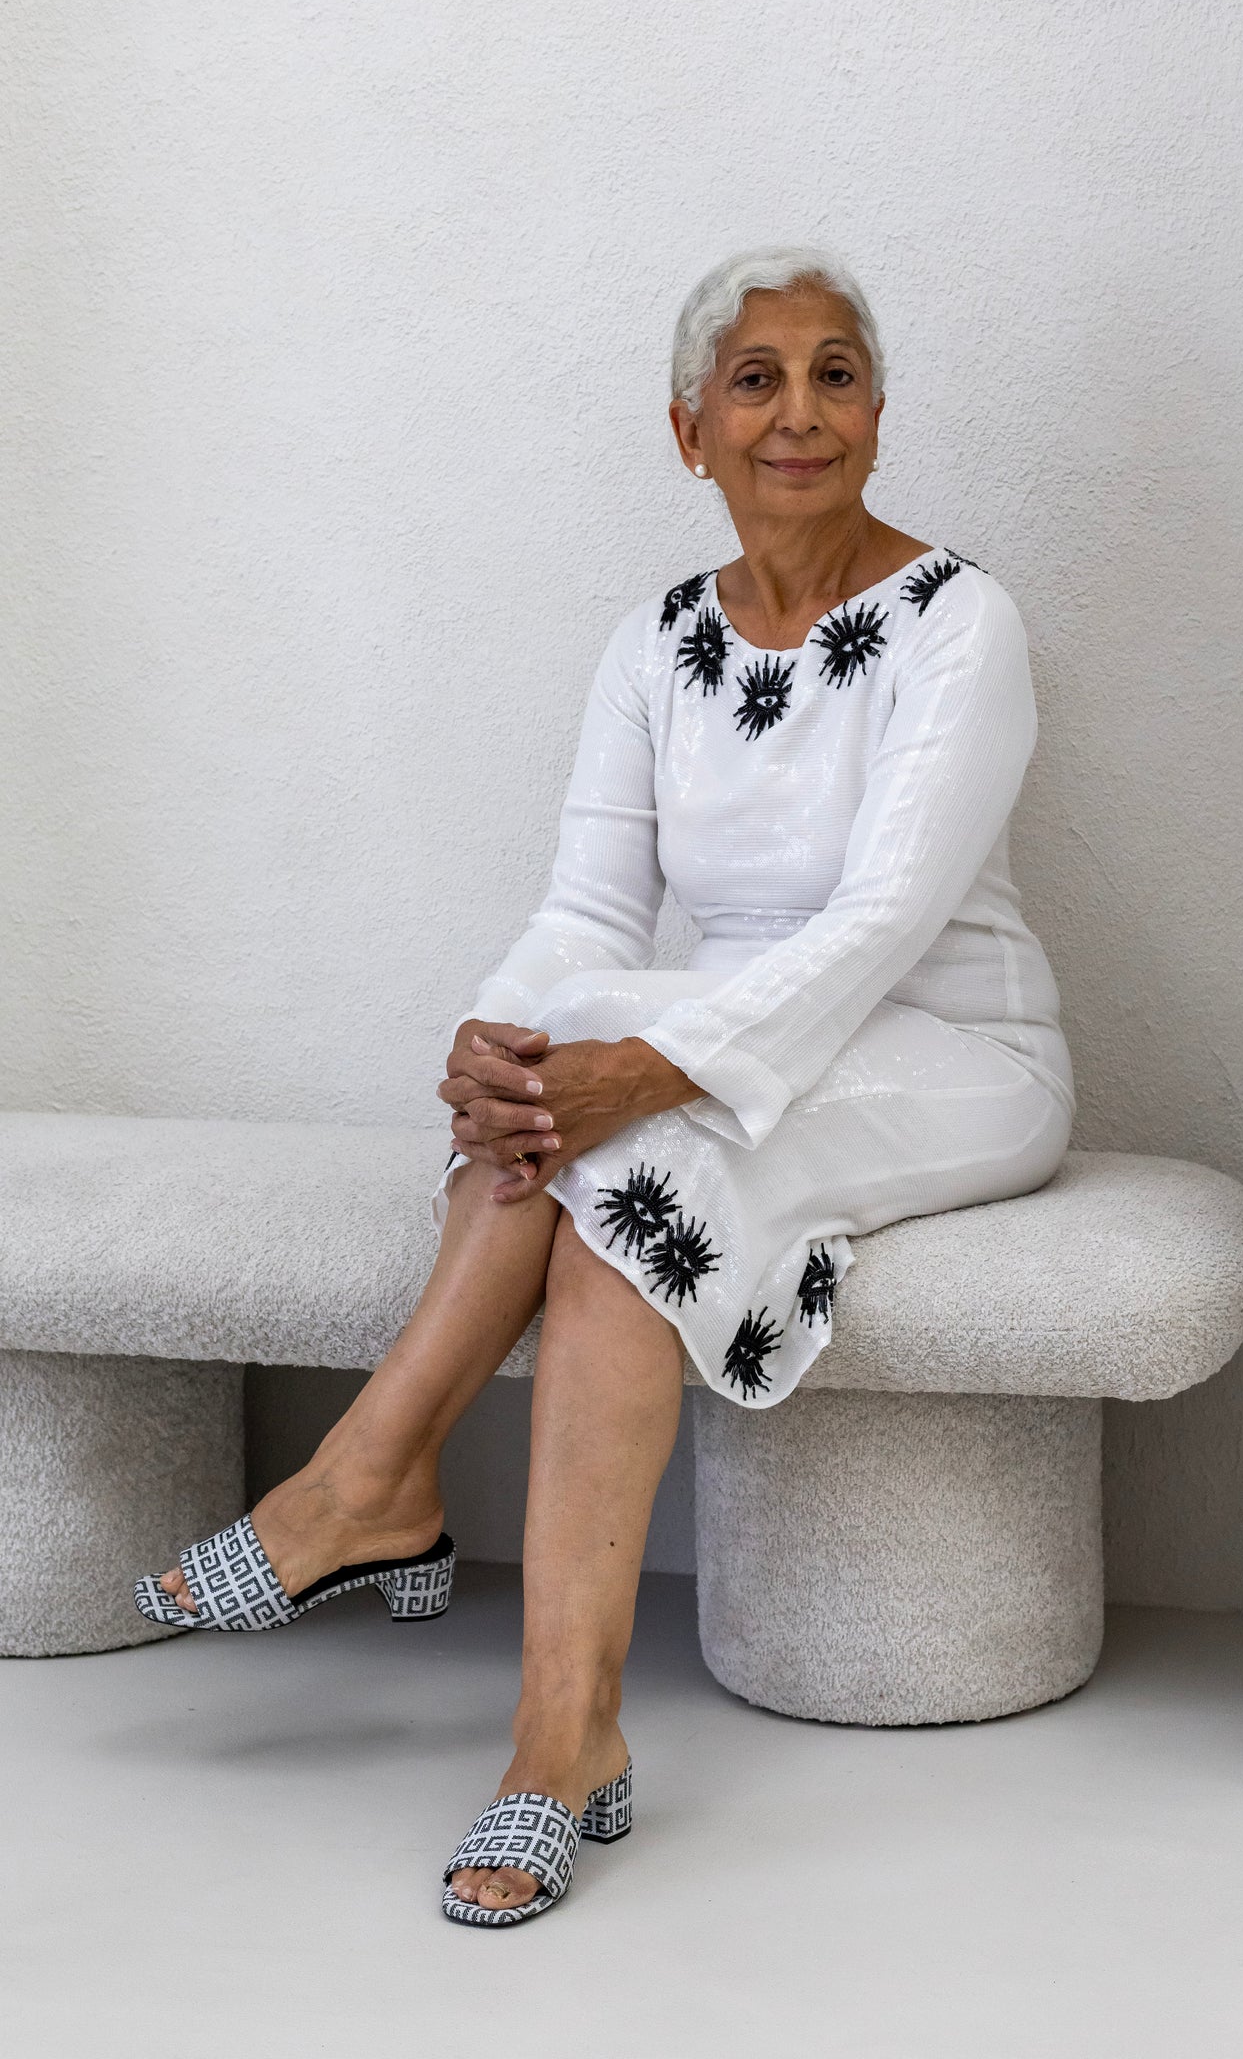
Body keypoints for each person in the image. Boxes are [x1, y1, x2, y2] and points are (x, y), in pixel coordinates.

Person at [135, 245, 1074, 1926]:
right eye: (756, 379)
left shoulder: (959, 620)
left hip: (954, 1053)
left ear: (877, 412)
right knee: (558, 1110)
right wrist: (493, 1047)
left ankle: (376, 1490)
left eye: (835, 374)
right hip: (727, 1035)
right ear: (686, 430)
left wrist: (642, 1064)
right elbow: (583, 914)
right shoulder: (652, 642)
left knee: (641, 1159)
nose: (801, 412)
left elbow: (878, 926)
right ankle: (552, 1724)